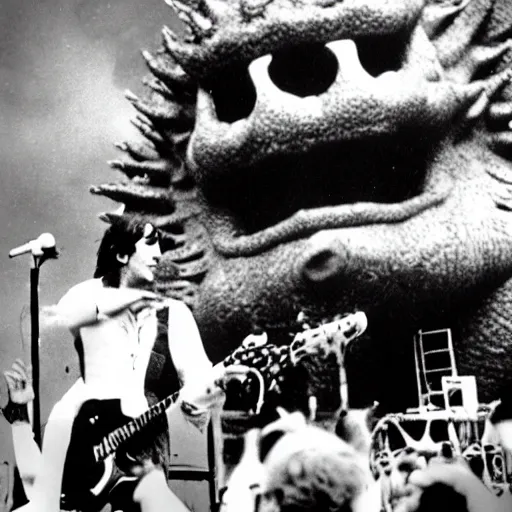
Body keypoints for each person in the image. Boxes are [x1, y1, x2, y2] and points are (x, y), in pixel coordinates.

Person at [13, 216, 226, 512]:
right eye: (150, 244)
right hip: (82, 451)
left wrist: (210, 389)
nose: (158, 255)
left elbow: (198, 391)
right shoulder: (86, 297)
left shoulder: (174, 315)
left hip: (140, 461)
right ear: (122, 254)